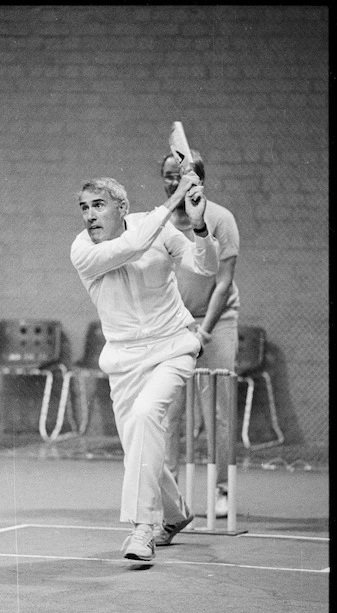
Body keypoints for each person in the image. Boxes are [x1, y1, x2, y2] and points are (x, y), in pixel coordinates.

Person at [70, 173, 219, 561]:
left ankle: (142, 530)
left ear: (122, 207)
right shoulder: (83, 250)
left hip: (173, 347)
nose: (89, 215)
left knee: (145, 413)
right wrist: (173, 202)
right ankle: (176, 513)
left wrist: (199, 226)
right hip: (124, 360)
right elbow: (133, 245)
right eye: (84, 207)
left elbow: (204, 267)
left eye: (98, 205)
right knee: (137, 442)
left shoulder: (162, 228)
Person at [161, 149, 240, 533]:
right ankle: (171, 497)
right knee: (169, 410)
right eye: (168, 175)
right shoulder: (157, 221)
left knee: (217, 411)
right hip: (173, 326)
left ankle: (221, 489)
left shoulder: (220, 218)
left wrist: (204, 331)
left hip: (216, 320)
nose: (174, 182)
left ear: (198, 180)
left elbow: (223, 281)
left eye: (182, 175)